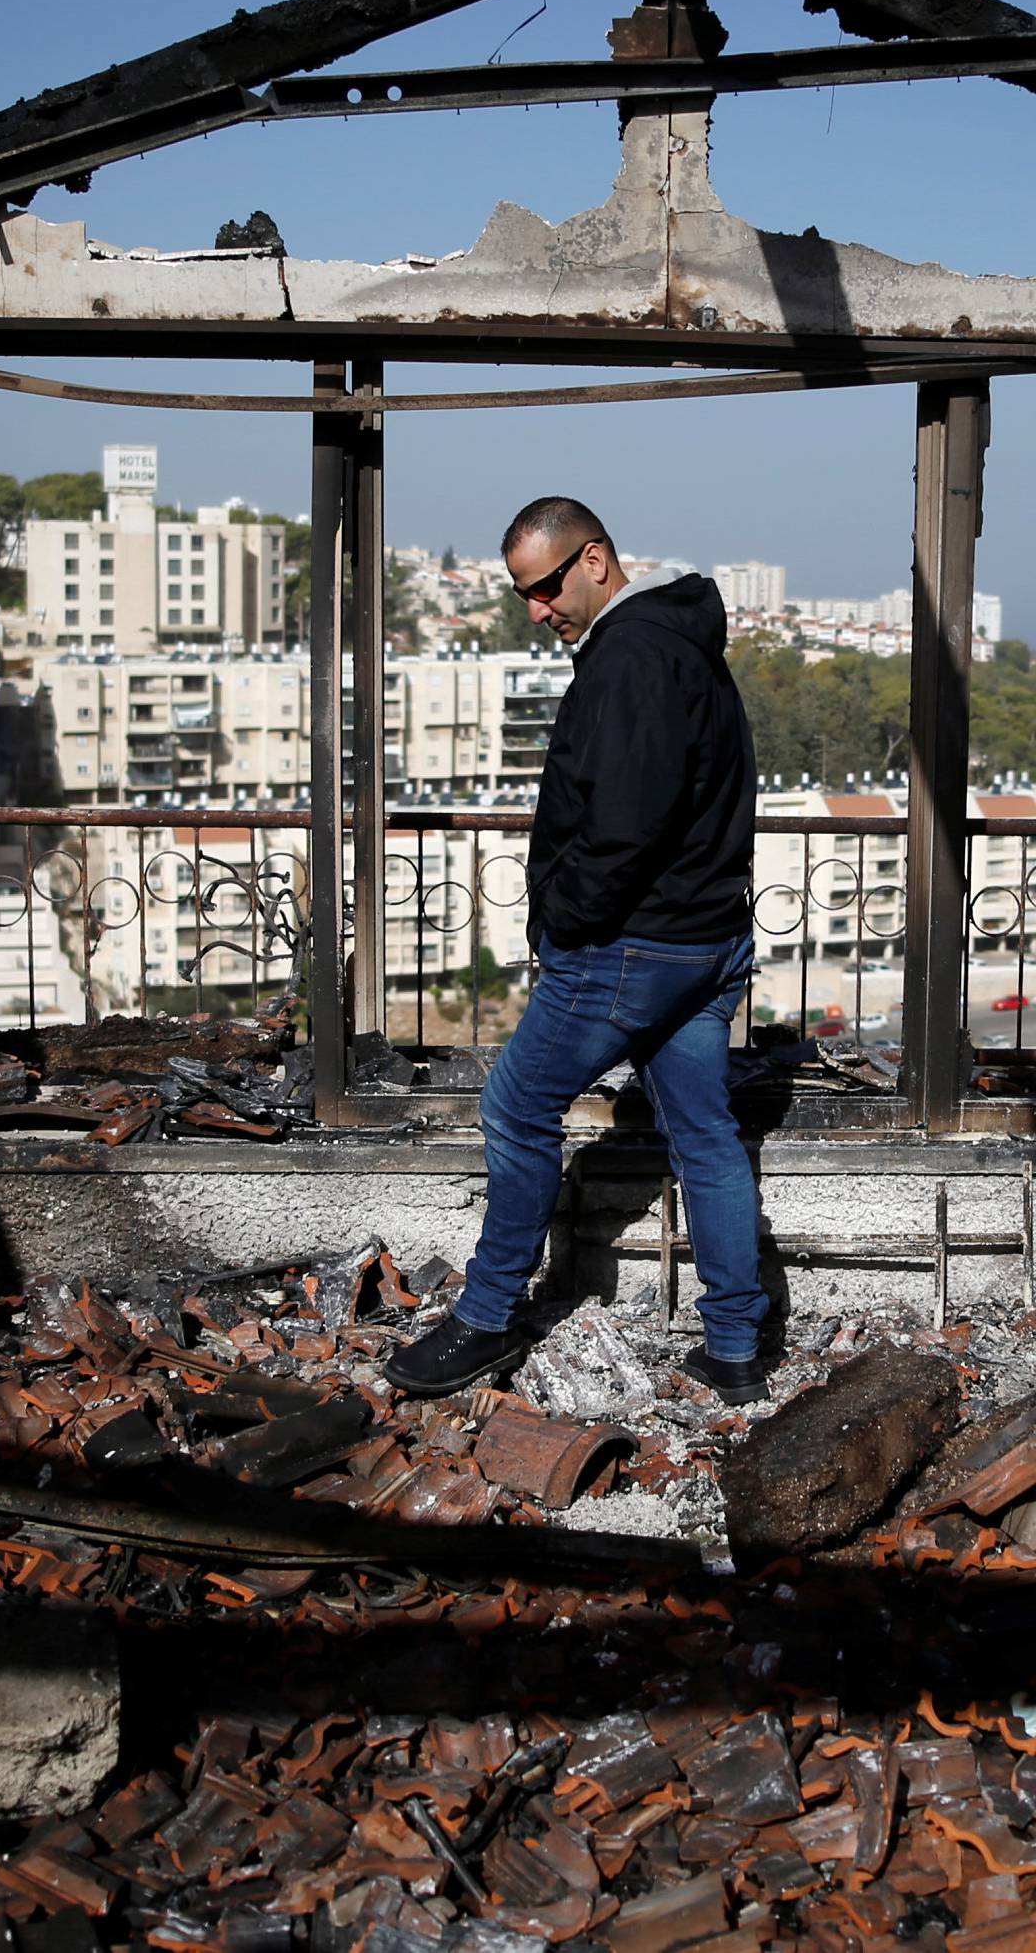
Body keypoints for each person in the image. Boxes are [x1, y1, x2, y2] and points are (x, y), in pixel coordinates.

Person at [386, 497, 773, 1404]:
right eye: (523, 593)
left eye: (548, 585)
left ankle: (484, 1321)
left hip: (633, 946)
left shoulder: (633, 658)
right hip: (705, 940)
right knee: (706, 1137)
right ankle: (735, 1349)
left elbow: (625, 826)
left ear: (595, 558)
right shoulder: (681, 644)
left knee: (517, 1107)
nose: (537, 608)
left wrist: (563, 920)